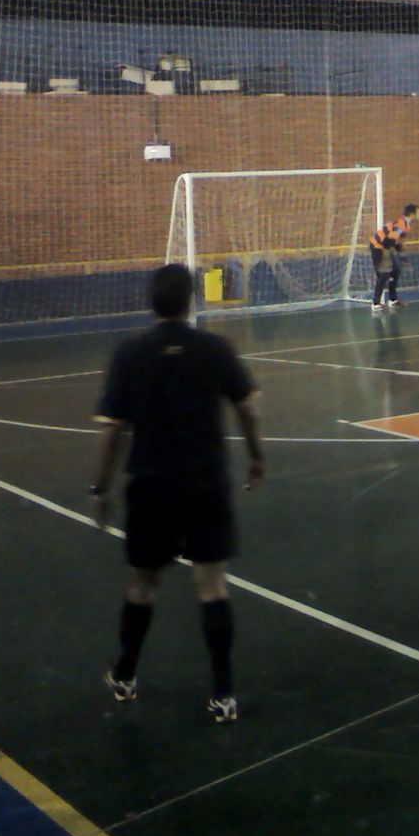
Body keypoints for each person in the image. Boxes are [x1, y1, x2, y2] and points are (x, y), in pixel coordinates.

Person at [91, 265, 264, 725]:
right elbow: (248, 408)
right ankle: (223, 694)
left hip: (152, 486)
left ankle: (125, 676)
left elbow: (114, 430)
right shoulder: (216, 349)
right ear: (191, 301)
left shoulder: (130, 353)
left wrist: (100, 486)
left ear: (152, 301)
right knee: (212, 585)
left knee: (142, 584)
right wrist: (256, 458)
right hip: (206, 483)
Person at [369, 204, 419, 312]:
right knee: (384, 274)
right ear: (412, 214)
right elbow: (387, 241)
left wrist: (401, 254)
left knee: (396, 270)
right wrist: (388, 256)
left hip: (385, 247)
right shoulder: (400, 225)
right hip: (378, 246)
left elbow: (395, 243)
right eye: (418, 212)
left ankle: (393, 299)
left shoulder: (405, 225)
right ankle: (375, 303)